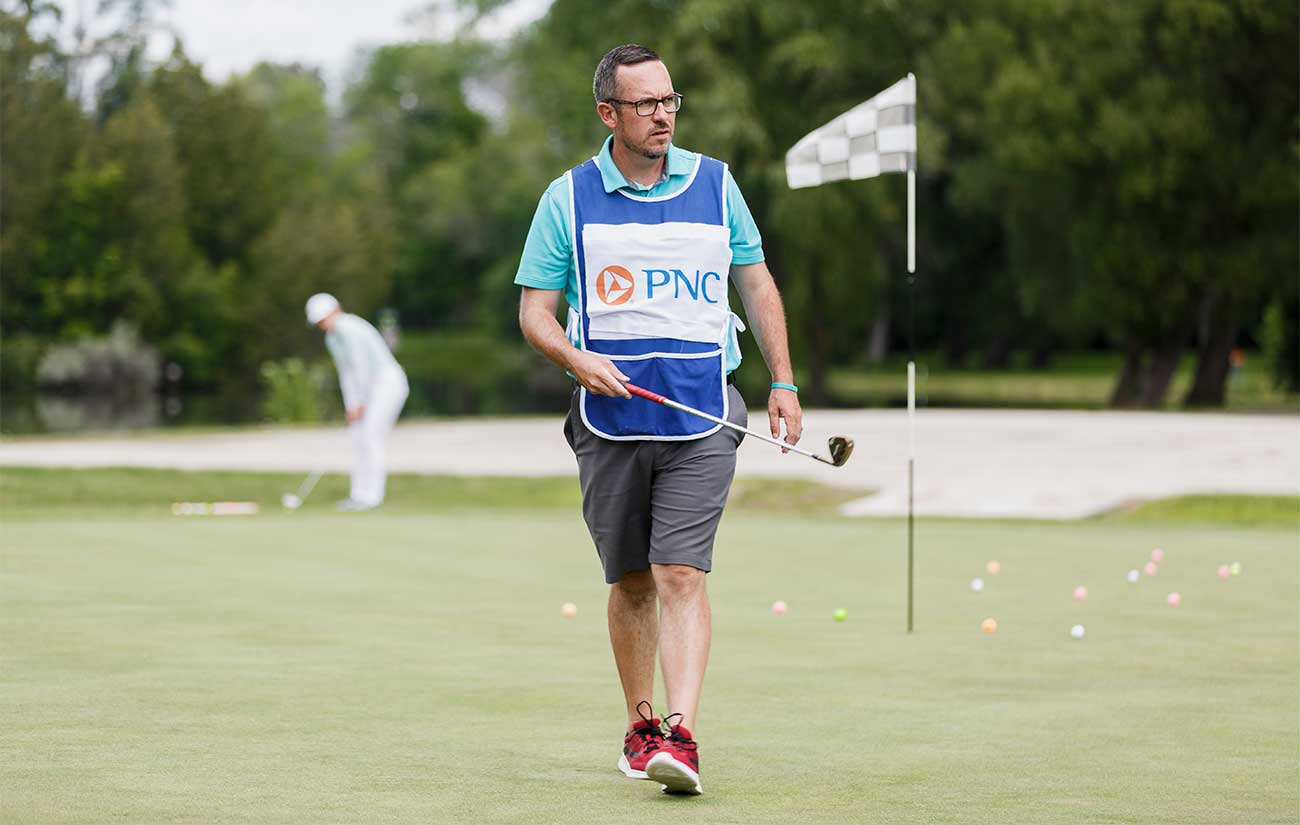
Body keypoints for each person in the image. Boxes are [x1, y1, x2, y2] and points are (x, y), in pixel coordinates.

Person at [515, 44, 802, 796]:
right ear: (608, 112)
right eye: (646, 104)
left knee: (680, 571)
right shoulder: (568, 197)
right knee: (633, 580)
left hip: (705, 413)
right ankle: (640, 724)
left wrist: (784, 380)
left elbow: (755, 280)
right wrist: (575, 360)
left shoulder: (716, 183)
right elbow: (535, 313)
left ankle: (681, 733)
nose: (664, 114)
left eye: (671, 100)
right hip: (607, 420)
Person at [304, 293, 409, 511]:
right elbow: (347, 374)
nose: (323, 325)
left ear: (335, 311)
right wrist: (351, 405)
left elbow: (362, 367)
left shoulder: (349, 327)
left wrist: (360, 401)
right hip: (368, 389)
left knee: (371, 435)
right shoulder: (332, 338)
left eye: (323, 319)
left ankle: (372, 497)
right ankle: (358, 494)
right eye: (319, 322)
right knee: (359, 438)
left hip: (386, 384)